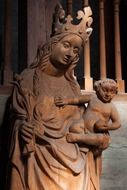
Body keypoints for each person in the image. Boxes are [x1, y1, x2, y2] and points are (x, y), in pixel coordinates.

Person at [7, 5, 109, 190]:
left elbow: (84, 123)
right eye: (66, 45)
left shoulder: (72, 86)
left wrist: (98, 134)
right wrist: (22, 128)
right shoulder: (29, 78)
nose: (71, 54)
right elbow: (18, 117)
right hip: (39, 155)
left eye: (76, 51)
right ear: (52, 46)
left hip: (74, 154)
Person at [55, 79, 121, 156]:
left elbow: (118, 123)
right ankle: (84, 143)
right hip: (83, 126)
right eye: (105, 90)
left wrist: (107, 126)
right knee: (74, 126)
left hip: (97, 133)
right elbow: (78, 99)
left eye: (112, 92)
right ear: (98, 89)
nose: (108, 94)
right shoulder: (92, 98)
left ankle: (79, 138)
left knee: (103, 139)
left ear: (115, 93)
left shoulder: (111, 107)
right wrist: (66, 101)